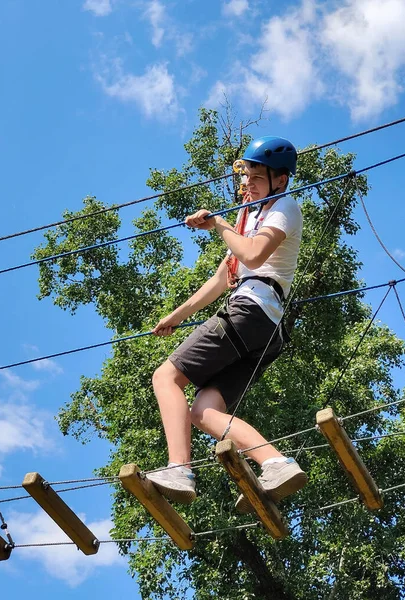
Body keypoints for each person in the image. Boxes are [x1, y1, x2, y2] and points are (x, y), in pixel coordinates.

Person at [147, 136, 308, 512]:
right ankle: (276, 464)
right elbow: (222, 278)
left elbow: (252, 255)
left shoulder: (284, 208)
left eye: (256, 176)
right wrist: (174, 318)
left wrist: (219, 224)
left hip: (250, 311)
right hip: (264, 330)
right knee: (204, 412)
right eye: (246, 176)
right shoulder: (248, 220)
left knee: (165, 378)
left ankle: (179, 469)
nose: (247, 183)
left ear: (280, 180)